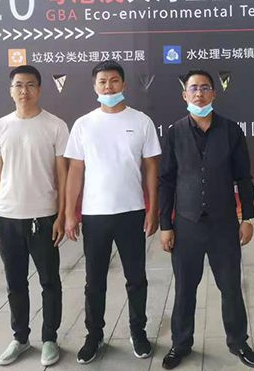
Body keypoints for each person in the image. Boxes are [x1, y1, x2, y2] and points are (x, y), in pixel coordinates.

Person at [158, 69, 254, 369]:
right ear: (184, 95)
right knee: (184, 289)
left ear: (214, 93)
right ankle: (180, 343)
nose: (199, 93)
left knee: (230, 287)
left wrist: (248, 217)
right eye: (194, 88)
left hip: (223, 225)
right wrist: (166, 224)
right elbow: (166, 181)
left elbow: (244, 177)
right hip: (186, 225)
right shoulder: (175, 133)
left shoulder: (231, 131)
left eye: (205, 88)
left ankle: (238, 341)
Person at [64, 60, 161, 364]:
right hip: (95, 215)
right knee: (94, 281)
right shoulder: (83, 124)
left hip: (132, 211)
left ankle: (138, 332)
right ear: (95, 86)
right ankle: (94, 336)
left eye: (114, 80)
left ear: (124, 84)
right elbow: (75, 171)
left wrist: (153, 209)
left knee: (136, 278)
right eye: (103, 82)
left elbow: (151, 168)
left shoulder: (141, 121)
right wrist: (69, 213)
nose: (109, 87)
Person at [0, 65, 68, 367]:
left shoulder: (55, 126)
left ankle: (49, 338)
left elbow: (63, 174)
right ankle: (20, 338)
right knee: (15, 282)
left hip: (44, 216)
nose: (24, 90)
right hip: (9, 218)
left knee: (50, 282)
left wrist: (62, 215)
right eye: (18, 85)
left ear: (40, 89)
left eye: (30, 85)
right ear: (10, 90)